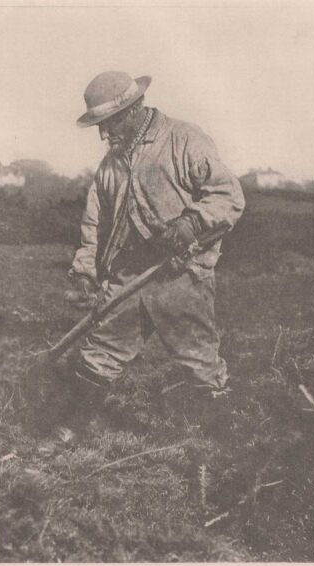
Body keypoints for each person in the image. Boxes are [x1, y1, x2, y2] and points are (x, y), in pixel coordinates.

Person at [65, 70, 244, 419]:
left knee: (199, 360)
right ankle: (71, 431)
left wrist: (191, 223)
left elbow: (228, 195)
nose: (104, 134)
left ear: (133, 110)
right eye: (99, 125)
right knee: (101, 352)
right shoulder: (110, 167)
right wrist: (85, 272)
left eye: (109, 123)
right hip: (129, 276)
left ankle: (221, 438)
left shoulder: (184, 140)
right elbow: (94, 224)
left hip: (180, 273)